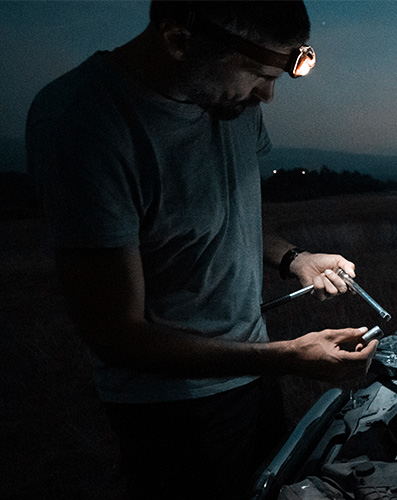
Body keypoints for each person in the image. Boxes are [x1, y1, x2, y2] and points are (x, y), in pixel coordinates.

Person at [25, 1, 377, 499]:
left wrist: (292, 258)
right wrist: (288, 356)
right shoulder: (85, 122)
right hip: (172, 408)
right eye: (257, 73)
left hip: (254, 376)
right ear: (177, 41)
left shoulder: (236, 105)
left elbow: (217, 216)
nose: (268, 95)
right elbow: (115, 334)